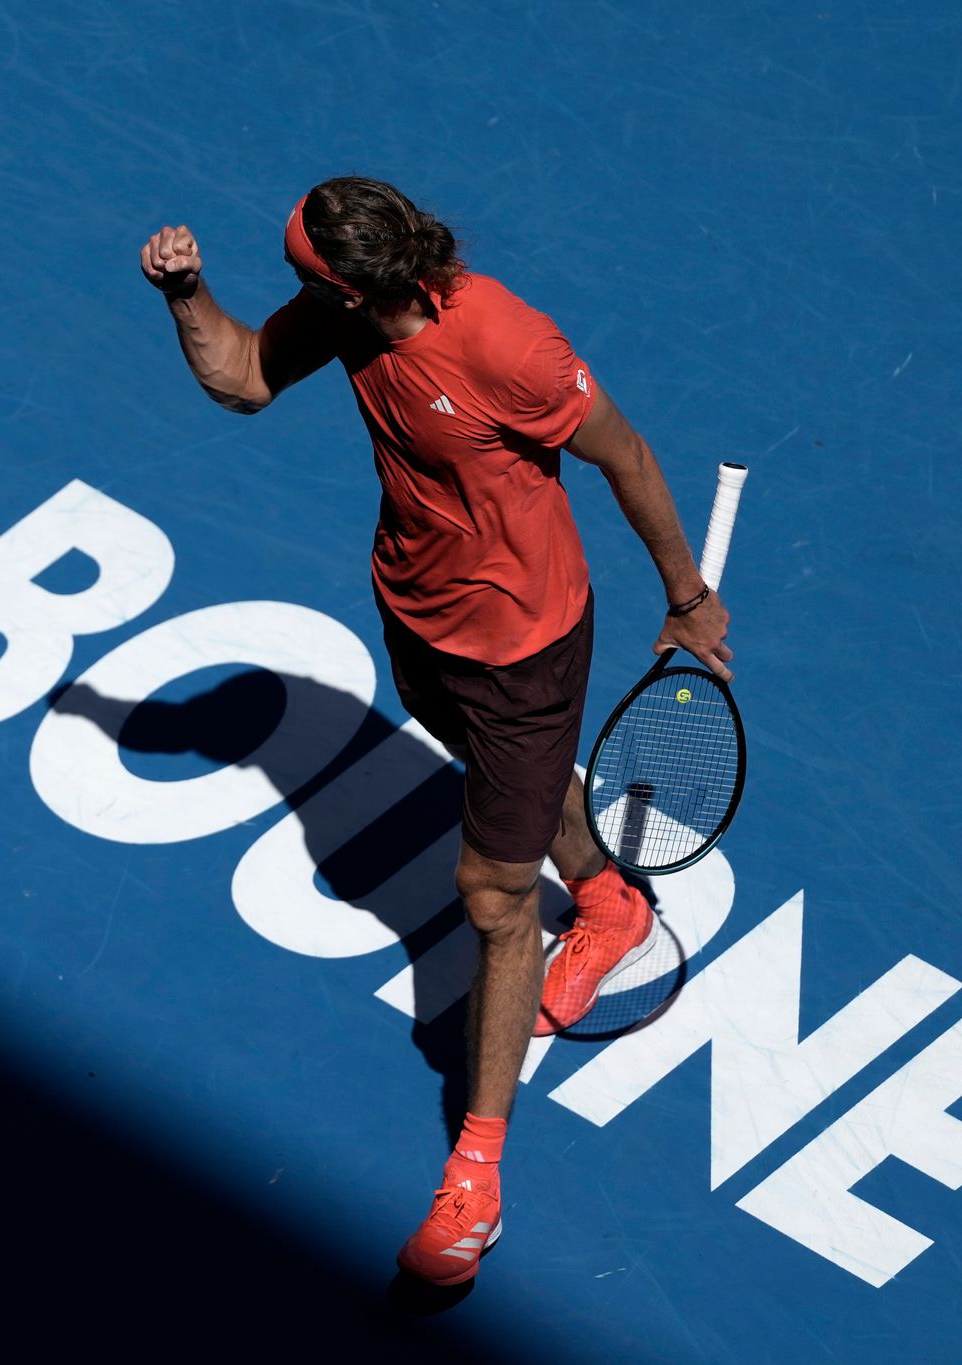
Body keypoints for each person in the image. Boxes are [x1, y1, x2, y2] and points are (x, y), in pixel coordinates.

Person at [136, 177, 734, 1286]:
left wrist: (687, 597)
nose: (293, 293)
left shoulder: (507, 345)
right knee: (496, 778)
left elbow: (626, 455)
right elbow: (245, 380)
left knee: (490, 901)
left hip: (523, 647)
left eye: (301, 278)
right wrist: (185, 293)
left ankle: (476, 1180)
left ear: (358, 285)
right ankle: (609, 898)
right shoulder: (346, 311)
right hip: (418, 613)